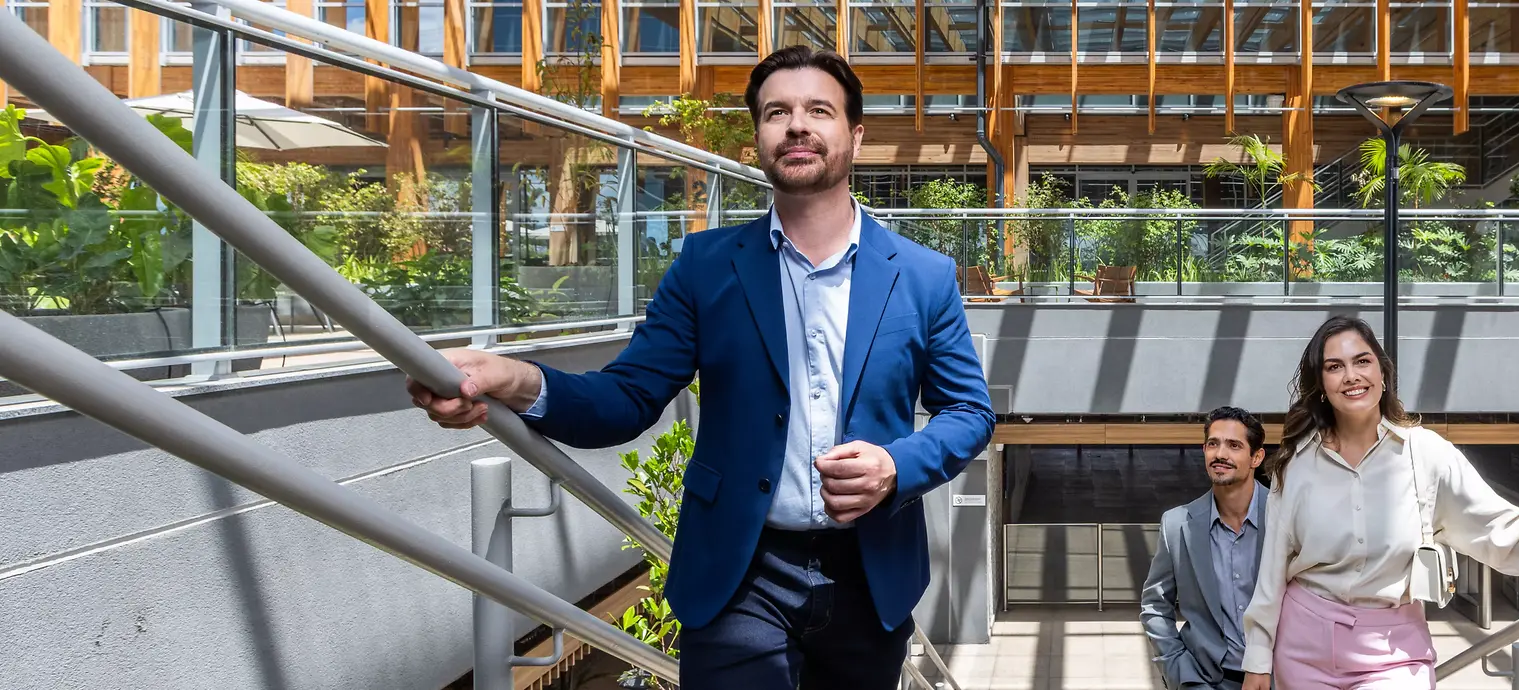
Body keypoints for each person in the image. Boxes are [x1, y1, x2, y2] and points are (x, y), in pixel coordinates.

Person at [405, 46, 995, 689]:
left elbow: (969, 412)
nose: (796, 125)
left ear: (854, 135)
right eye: (777, 113)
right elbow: (627, 396)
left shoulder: (924, 275)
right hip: (740, 574)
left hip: (871, 574)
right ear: (759, 139)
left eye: (817, 110)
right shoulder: (705, 267)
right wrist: (513, 379)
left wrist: (895, 466)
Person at [1239, 315, 1519, 690]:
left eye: (1362, 361)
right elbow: (1273, 568)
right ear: (1322, 386)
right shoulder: (1296, 464)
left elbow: (1502, 534)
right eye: (1335, 366)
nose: (1351, 375)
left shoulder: (1427, 454)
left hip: (1392, 650)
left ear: (1383, 372)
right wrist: (1258, 658)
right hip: (1304, 644)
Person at [1141, 406, 1273, 690]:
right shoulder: (1177, 525)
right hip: (1207, 680)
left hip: (1282, 678)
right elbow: (1155, 605)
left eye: (1234, 445)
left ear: (1256, 457)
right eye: (1213, 444)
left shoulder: (1287, 515)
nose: (1220, 454)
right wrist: (1179, 670)